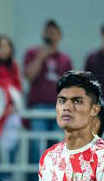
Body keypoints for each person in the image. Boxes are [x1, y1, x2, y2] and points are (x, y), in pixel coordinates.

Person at [23, 20, 73, 162]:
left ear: (59, 36)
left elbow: (71, 86)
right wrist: (40, 57)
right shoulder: (32, 53)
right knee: (37, 145)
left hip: (59, 108)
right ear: (43, 34)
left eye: (54, 33)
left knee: (58, 146)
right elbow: (29, 76)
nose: (50, 36)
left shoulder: (65, 59)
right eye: (48, 32)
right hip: (38, 106)